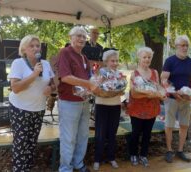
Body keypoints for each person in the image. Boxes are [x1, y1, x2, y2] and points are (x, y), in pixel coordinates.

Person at [8, 35, 55, 172]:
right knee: (21, 143)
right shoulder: (18, 63)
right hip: (20, 108)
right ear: (24, 49)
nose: (35, 48)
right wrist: (34, 75)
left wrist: (50, 88)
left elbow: (53, 84)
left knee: (32, 142)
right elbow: (15, 88)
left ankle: (27, 167)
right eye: (31, 46)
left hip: (38, 109)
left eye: (37, 45)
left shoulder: (45, 64)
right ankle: (19, 169)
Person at [57, 26, 99, 172]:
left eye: (84, 36)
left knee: (83, 135)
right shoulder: (65, 52)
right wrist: (88, 83)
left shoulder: (84, 57)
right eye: (78, 36)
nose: (81, 39)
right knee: (68, 137)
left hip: (84, 101)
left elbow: (89, 77)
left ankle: (78, 163)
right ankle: (65, 168)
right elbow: (65, 77)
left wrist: (96, 82)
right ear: (71, 37)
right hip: (68, 101)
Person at [161, 35, 191, 163]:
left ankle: (180, 150)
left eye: (187, 45)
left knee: (184, 125)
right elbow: (164, 80)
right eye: (182, 45)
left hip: (186, 99)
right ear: (176, 46)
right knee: (169, 125)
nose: (185, 47)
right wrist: (173, 92)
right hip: (172, 98)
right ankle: (169, 150)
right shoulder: (170, 61)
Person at [127, 47, 165, 167]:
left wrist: (161, 93)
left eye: (149, 57)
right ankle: (133, 154)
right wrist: (147, 93)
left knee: (147, 134)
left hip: (152, 108)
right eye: (144, 57)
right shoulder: (134, 73)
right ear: (139, 58)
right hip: (137, 109)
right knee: (135, 133)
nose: (147, 59)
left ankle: (143, 155)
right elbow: (133, 92)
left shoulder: (154, 72)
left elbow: (158, 87)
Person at [93, 50, 123, 171]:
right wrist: (100, 84)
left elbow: (122, 89)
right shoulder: (100, 72)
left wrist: (121, 90)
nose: (115, 63)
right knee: (100, 134)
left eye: (116, 60)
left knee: (112, 134)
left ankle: (111, 157)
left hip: (115, 106)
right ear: (106, 61)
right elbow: (95, 88)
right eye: (112, 61)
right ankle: (97, 159)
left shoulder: (120, 74)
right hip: (102, 105)